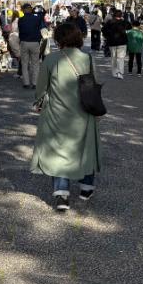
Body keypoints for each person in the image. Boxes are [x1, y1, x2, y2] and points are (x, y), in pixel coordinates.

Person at [30, 22, 102, 212]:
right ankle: (86, 187)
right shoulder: (87, 58)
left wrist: (39, 103)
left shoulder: (51, 60)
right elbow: (95, 84)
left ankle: (62, 194)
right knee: (84, 149)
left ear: (58, 38)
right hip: (84, 113)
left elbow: (41, 89)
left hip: (57, 112)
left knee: (59, 152)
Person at [17, 3, 42, 89]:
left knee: (24, 63)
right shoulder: (37, 18)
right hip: (35, 42)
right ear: (30, 9)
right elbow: (40, 24)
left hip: (24, 42)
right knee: (35, 63)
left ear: (23, 10)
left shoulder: (20, 20)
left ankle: (26, 83)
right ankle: (35, 83)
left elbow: (20, 31)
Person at [102, 9, 129, 79]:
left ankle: (114, 72)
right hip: (122, 42)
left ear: (113, 15)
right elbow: (130, 27)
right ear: (121, 15)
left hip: (112, 42)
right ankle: (120, 73)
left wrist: (107, 36)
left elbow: (103, 30)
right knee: (121, 58)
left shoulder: (109, 22)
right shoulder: (124, 22)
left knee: (113, 58)